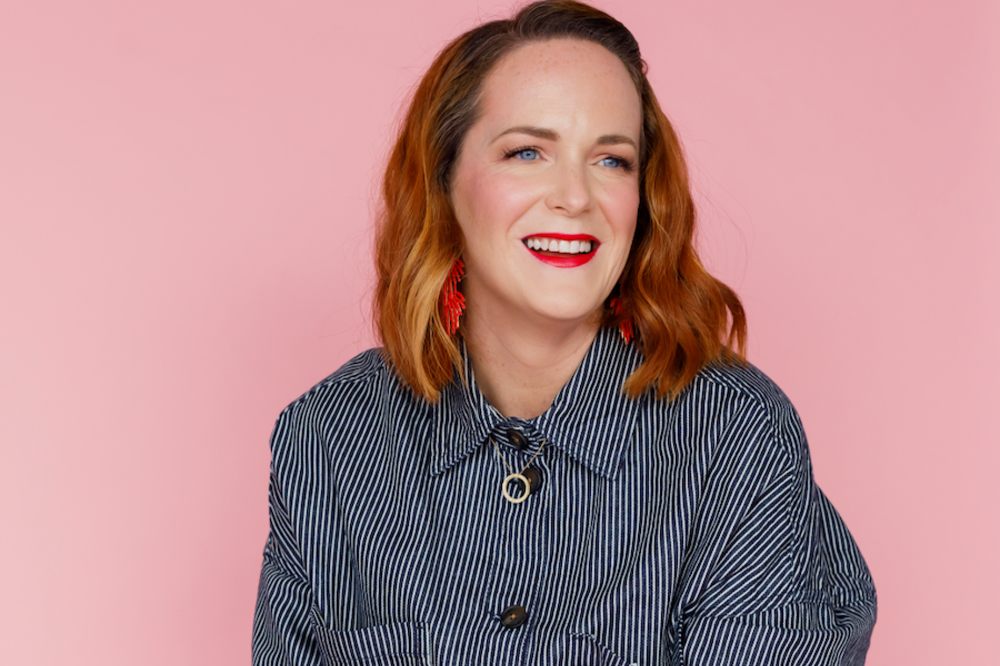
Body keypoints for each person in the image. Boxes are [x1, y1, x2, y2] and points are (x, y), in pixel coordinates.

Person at [250, 1, 878, 663]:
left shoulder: (737, 439)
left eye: (612, 161)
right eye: (527, 152)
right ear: (444, 184)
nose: (575, 197)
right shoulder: (325, 439)